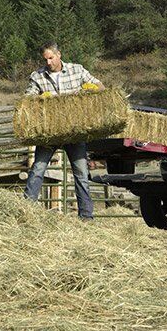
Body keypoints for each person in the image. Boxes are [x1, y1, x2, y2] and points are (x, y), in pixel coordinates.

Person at [23, 41, 105, 219]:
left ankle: (86, 216)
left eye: (51, 58)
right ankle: (26, 211)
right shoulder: (37, 76)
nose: (49, 63)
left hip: (74, 131)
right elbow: (27, 101)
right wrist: (40, 98)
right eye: (45, 59)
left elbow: (100, 87)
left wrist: (87, 90)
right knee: (38, 168)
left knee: (81, 173)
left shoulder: (77, 70)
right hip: (50, 133)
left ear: (59, 54)